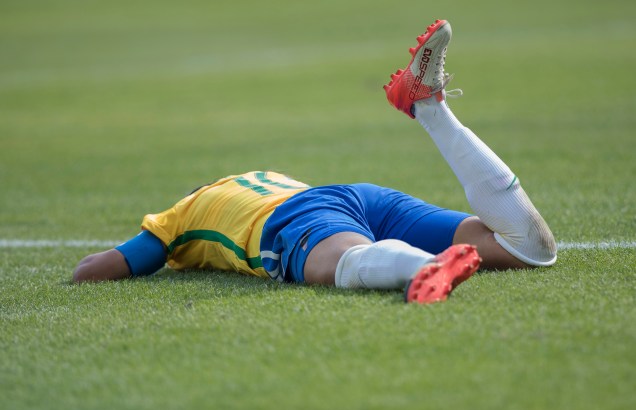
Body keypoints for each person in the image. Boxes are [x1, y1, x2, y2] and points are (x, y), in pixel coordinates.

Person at [73, 19, 557, 304]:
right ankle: (428, 106)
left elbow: (98, 269)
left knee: (342, 264)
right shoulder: (258, 178)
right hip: (353, 198)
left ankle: (423, 269)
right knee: (530, 249)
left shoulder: (180, 217)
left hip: (298, 216)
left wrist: (146, 245)